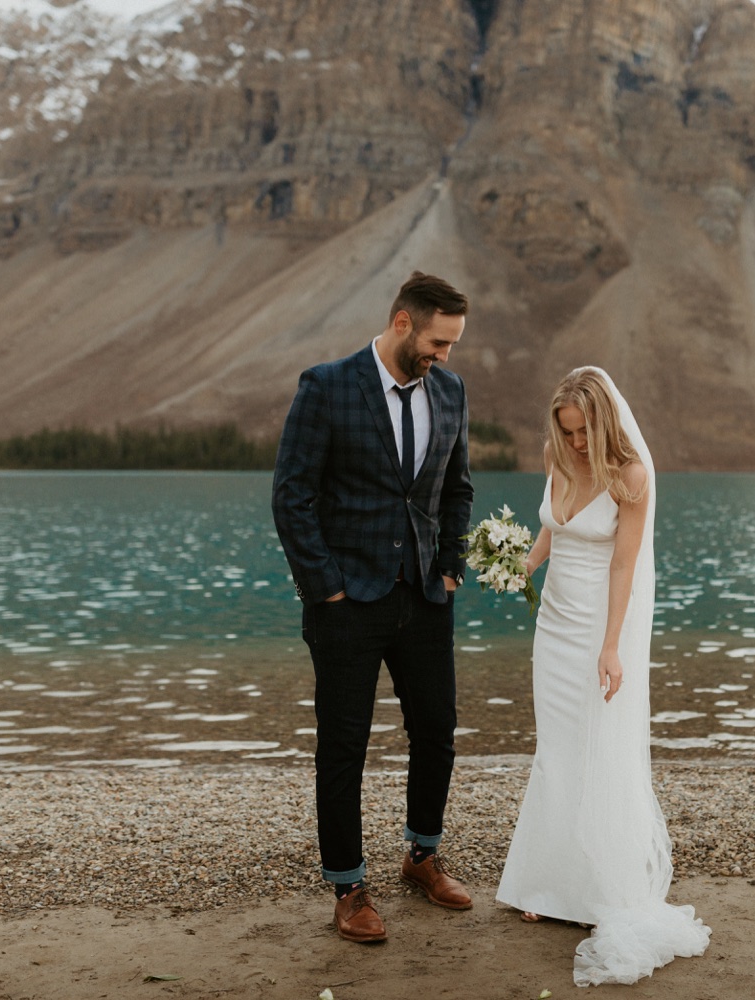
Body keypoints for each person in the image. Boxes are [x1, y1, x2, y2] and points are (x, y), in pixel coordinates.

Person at [272, 271, 475, 943]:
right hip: (346, 604)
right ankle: (349, 887)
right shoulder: (326, 386)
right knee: (343, 746)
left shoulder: (450, 391)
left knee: (437, 732)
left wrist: (450, 567)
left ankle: (422, 856)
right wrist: (325, 586)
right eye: (438, 341)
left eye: (452, 344)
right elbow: (292, 496)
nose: (444, 355)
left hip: (423, 596)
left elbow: (456, 490)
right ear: (401, 323)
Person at [496, 367, 711, 986]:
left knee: (596, 749)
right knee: (555, 749)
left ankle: (596, 892)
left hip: (598, 624)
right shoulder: (556, 455)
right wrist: (521, 567)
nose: (577, 444)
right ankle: (545, 883)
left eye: (584, 432)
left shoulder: (632, 476)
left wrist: (613, 646)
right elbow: (552, 528)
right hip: (554, 626)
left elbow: (624, 564)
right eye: (567, 433)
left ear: (603, 421)